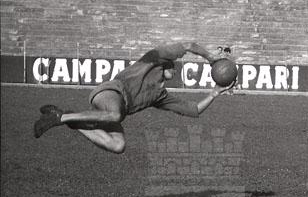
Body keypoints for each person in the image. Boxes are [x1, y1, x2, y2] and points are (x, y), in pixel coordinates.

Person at [34, 42, 235, 154]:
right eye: (174, 66)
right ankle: (60, 118)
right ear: (167, 64)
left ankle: (70, 118)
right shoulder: (153, 59)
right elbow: (189, 45)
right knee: (115, 115)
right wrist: (211, 58)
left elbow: (194, 109)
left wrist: (215, 92)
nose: (175, 69)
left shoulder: (160, 95)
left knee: (118, 145)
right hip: (110, 92)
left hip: (116, 110)